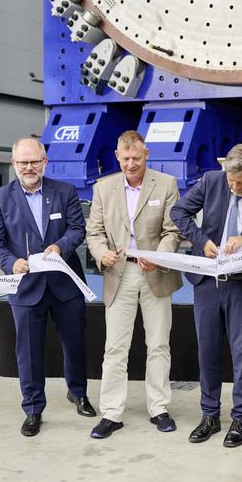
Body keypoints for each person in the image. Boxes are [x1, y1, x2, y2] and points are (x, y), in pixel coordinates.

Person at [171, 144, 242, 448]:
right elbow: (178, 211)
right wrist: (201, 239)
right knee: (207, 351)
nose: (234, 187)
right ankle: (209, 415)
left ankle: (240, 418)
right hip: (207, 281)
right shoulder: (211, 181)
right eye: (231, 181)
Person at [0, 137, 95, 437]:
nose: (29, 167)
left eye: (35, 161)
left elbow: (77, 229)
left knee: (74, 343)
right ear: (14, 164)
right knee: (28, 352)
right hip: (26, 287)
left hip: (65, 285)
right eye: (23, 162)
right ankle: (33, 409)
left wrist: (60, 247)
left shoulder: (65, 192)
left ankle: (78, 393)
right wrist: (11, 263)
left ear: (45, 162)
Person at [85, 130, 183, 439]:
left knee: (158, 345)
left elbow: (173, 231)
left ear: (147, 154)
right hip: (118, 274)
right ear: (117, 156)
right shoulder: (103, 188)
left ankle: (159, 408)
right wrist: (103, 255)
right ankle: (111, 413)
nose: (131, 164)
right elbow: (94, 232)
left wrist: (159, 256)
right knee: (115, 347)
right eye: (125, 159)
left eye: (136, 158)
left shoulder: (166, 184)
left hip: (155, 273)